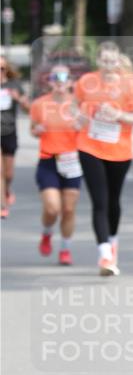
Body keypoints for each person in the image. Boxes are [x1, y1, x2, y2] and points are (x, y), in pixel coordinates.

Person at [75, 41, 133, 276]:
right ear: (98, 61)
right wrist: (80, 118)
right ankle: (105, 254)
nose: (108, 65)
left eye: (112, 61)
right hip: (89, 146)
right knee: (100, 201)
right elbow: (74, 109)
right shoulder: (86, 82)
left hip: (119, 150)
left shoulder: (129, 84)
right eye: (104, 61)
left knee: (113, 201)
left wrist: (119, 115)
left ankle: (113, 241)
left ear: (118, 61)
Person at [30, 65, 83, 265]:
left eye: (64, 77)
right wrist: (37, 129)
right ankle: (47, 233)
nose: (60, 82)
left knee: (68, 209)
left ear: (71, 82)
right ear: (50, 81)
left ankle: (65, 249)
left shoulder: (78, 105)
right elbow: (32, 128)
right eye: (55, 77)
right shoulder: (39, 104)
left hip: (72, 161)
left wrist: (82, 126)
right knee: (52, 209)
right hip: (48, 160)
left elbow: (89, 129)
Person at [1, 56, 30, 218]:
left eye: (1, 68)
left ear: (6, 70)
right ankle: (2, 205)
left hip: (9, 132)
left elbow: (29, 109)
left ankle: (6, 190)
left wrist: (17, 98)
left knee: (8, 173)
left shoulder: (15, 85)